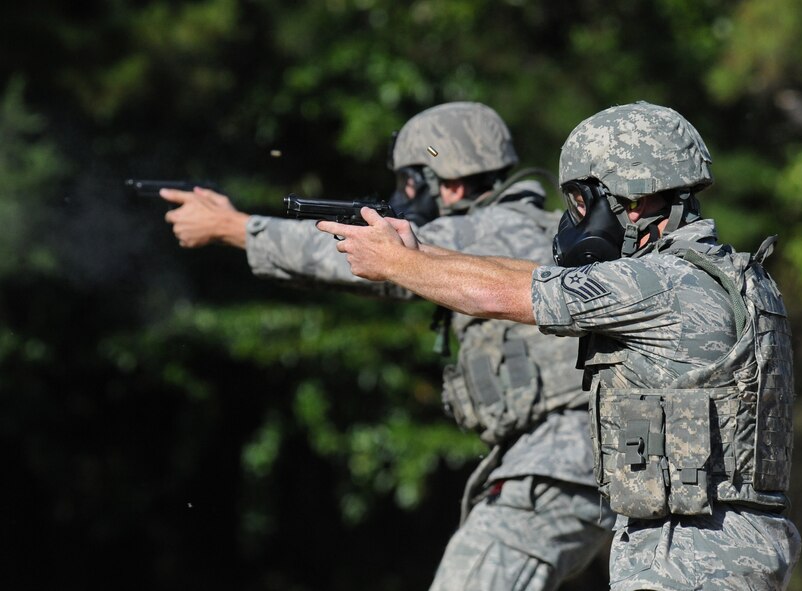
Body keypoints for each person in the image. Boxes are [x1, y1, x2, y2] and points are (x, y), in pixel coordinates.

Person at [317, 101, 802, 591]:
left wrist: (396, 266)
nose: (573, 219)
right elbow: (536, 277)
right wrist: (418, 250)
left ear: (630, 204)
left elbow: (507, 295)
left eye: (579, 200)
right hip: (714, 550)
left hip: (690, 560)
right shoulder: (717, 275)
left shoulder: (657, 285)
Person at [161, 102, 615, 590]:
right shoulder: (548, 230)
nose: (405, 197)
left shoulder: (483, 229)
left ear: (453, 185)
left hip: (555, 467)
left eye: (412, 184)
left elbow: (352, 258)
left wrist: (234, 228)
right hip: (595, 464)